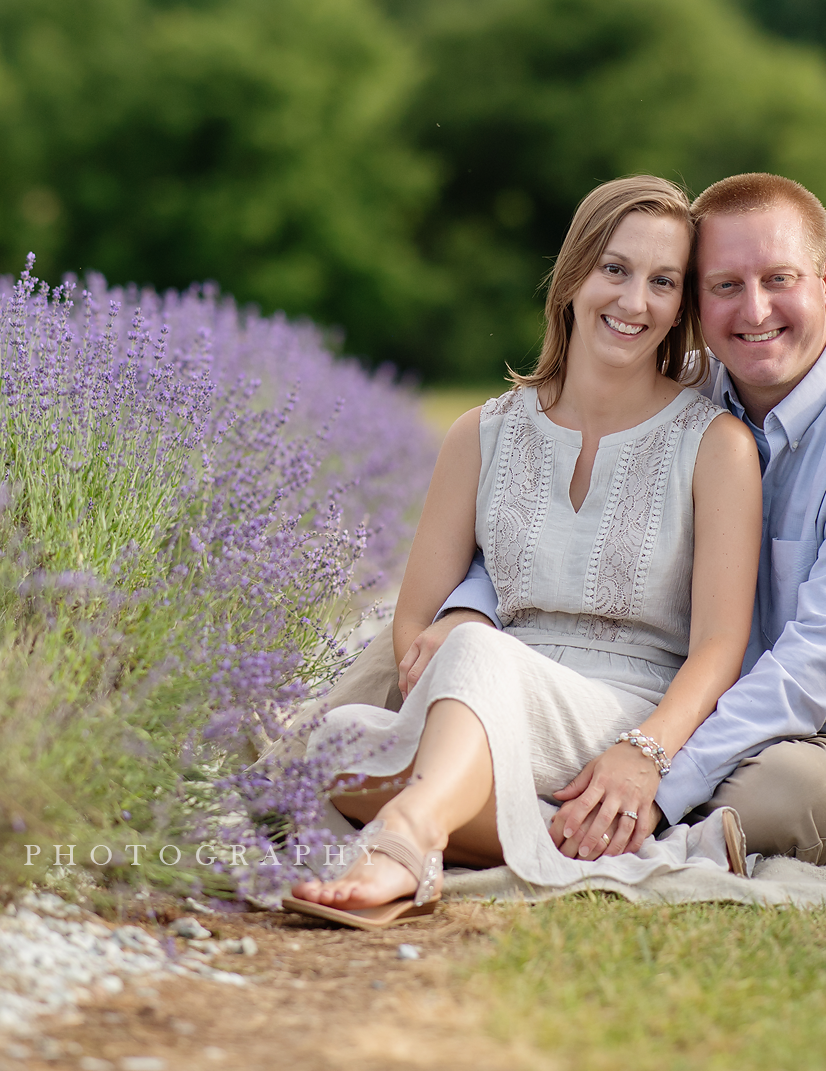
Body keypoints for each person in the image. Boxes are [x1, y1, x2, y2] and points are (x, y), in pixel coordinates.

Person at [421, 172, 826, 874]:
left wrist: (656, 769)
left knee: (768, 793)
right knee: (411, 659)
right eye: (725, 285)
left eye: (778, 278)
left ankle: (554, 824)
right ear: (696, 300)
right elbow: (534, 514)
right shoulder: (685, 395)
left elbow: (819, 667)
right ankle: (428, 795)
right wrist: (468, 614)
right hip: (700, 722)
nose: (754, 309)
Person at [287, 175, 762, 927]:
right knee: (329, 743)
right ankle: (565, 836)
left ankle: (408, 837)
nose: (635, 301)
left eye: (663, 281)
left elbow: (718, 646)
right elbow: (414, 624)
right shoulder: (482, 432)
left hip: (621, 713)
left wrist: (647, 750)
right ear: (573, 274)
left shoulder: (716, 446)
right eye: (616, 268)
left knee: (476, 650)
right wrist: (451, 652)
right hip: (481, 699)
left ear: (683, 306)